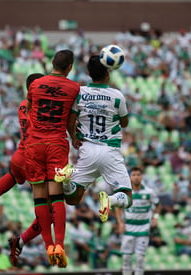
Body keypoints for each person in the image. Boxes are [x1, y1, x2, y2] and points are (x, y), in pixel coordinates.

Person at [0, 73, 45, 266]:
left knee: (12, 176)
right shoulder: (42, 107)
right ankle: (20, 241)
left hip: (19, 157)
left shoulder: (22, 105)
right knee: (48, 214)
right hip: (34, 161)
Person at [59, 55, 133, 222]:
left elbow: (70, 120)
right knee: (127, 198)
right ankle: (110, 200)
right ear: (108, 73)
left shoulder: (81, 92)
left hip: (88, 150)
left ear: (88, 73)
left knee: (72, 198)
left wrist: (73, 137)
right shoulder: (116, 95)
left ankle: (66, 181)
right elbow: (125, 122)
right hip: (110, 151)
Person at [24, 49, 80, 267]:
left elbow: (29, 111)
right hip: (56, 144)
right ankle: (60, 244)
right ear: (69, 68)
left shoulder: (35, 85)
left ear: (52, 63)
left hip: (34, 144)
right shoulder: (74, 88)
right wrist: (74, 138)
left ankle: (48, 246)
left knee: (39, 197)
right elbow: (70, 123)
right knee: (56, 196)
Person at [114, 166, 160, 275]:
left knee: (139, 259)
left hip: (143, 229)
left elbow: (157, 206)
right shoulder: (125, 193)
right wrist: (120, 223)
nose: (136, 177)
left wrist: (155, 218)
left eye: (138, 175)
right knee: (126, 258)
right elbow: (117, 207)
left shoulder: (149, 192)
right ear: (130, 177)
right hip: (128, 229)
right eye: (134, 175)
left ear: (141, 176)